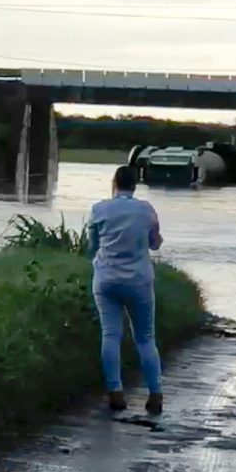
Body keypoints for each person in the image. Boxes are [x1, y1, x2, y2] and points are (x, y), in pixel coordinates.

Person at [86, 165, 164, 414]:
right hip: (139, 280)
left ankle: (115, 391)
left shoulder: (99, 209)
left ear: (114, 183)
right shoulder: (146, 210)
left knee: (110, 335)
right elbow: (154, 244)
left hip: (106, 278)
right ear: (135, 185)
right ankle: (155, 394)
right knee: (145, 338)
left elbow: (92, 246)